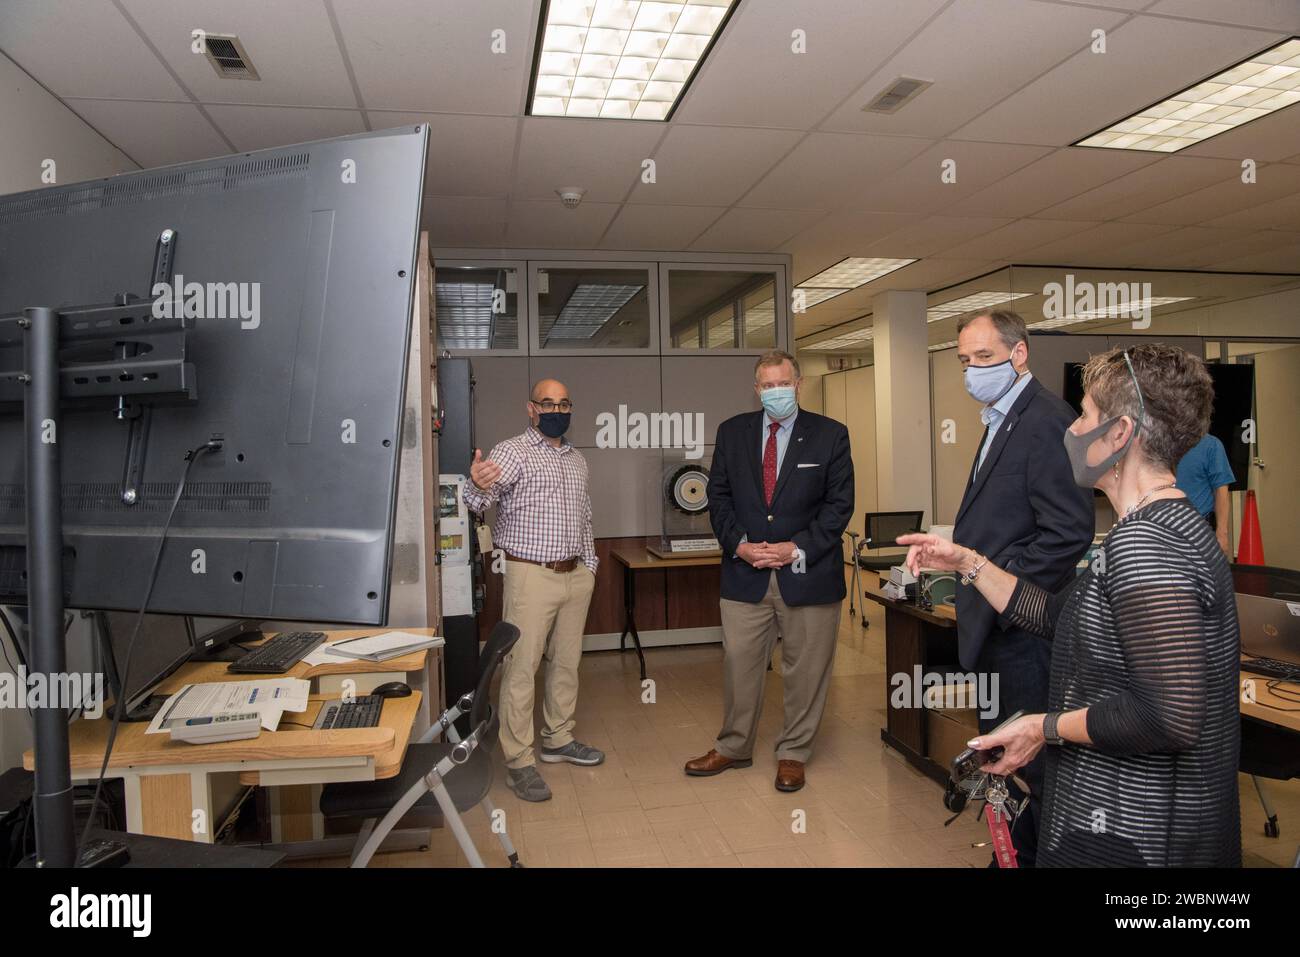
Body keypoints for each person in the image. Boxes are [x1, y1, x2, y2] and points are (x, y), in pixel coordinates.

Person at [900, 344, 1240, 867]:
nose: (1073, 429)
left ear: (1120, 434)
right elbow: (1059, 619)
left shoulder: (1146, 545)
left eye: (1084, 415)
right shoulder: (1167, 526)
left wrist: (1042, 727)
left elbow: (1168, 717)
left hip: (1136, 837)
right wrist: (968, 562)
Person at [950, 309, 1094, 867]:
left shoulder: (1045, 420)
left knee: (1030, 764)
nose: (972, 371)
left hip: (1023, 631)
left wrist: (1007, 594)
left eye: (983, 358)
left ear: (1019, 353)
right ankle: (1011, 857)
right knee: (1000, 755)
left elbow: (1068, 532)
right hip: (993, 625)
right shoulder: (1000, 417)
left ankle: (1035, 858)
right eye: (965, 361)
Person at [683, 350, 853, 792]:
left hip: (808, 574)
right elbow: (717, 498)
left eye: (784, 383)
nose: (776, 391)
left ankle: (793, 753)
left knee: (806, 670)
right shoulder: (732, 432)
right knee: (739, 665)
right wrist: (738, 544)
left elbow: (839, 507)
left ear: (798, 384)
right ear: (756, 389)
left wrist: (794, 548)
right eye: (767, 385)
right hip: (745, 573)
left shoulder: (831, 435)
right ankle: (734, 746)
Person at [462, 379, 603, 803]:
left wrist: (590, 565)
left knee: (566, 663)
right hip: (530, 576)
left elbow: (586, 516)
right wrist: (476, 483)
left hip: (576, 575)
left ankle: (558, 738)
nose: (557, 409)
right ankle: (519, 760)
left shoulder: (577, 458)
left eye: (564, 402)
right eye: (548, 403)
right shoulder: (511, 452)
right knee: (521, 669)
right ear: (531, 408)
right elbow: (476, 501)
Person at [1176, 432, 1235, 557]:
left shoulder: (1211, 445)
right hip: (1163, 530)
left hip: (1200, 531)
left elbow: (1221, 490)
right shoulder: (1159, 444)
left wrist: (1222, 533)